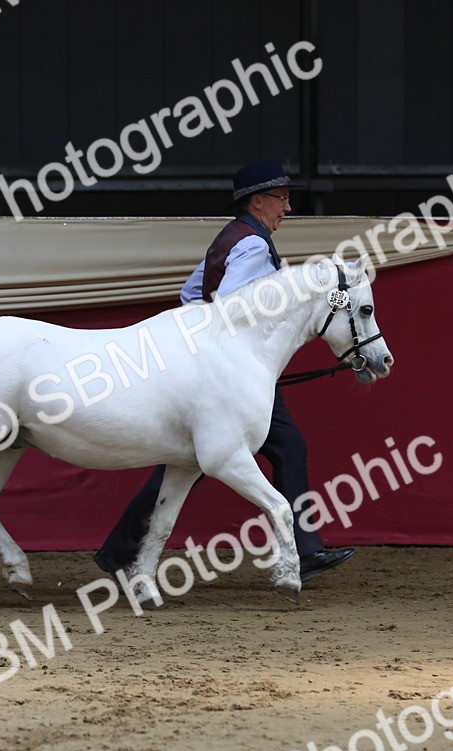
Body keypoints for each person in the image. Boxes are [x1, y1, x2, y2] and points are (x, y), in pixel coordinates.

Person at [93, 160, 356, 582]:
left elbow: (191, 293)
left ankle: (123, 551)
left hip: (228, 374)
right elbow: (234, 307)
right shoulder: (252, 246)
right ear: (258, 200)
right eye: (282, 199)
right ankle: (301, 552)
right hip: (232, 381)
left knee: (214, 458)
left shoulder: (233, 239)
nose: (287, 208)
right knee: (221, 458)